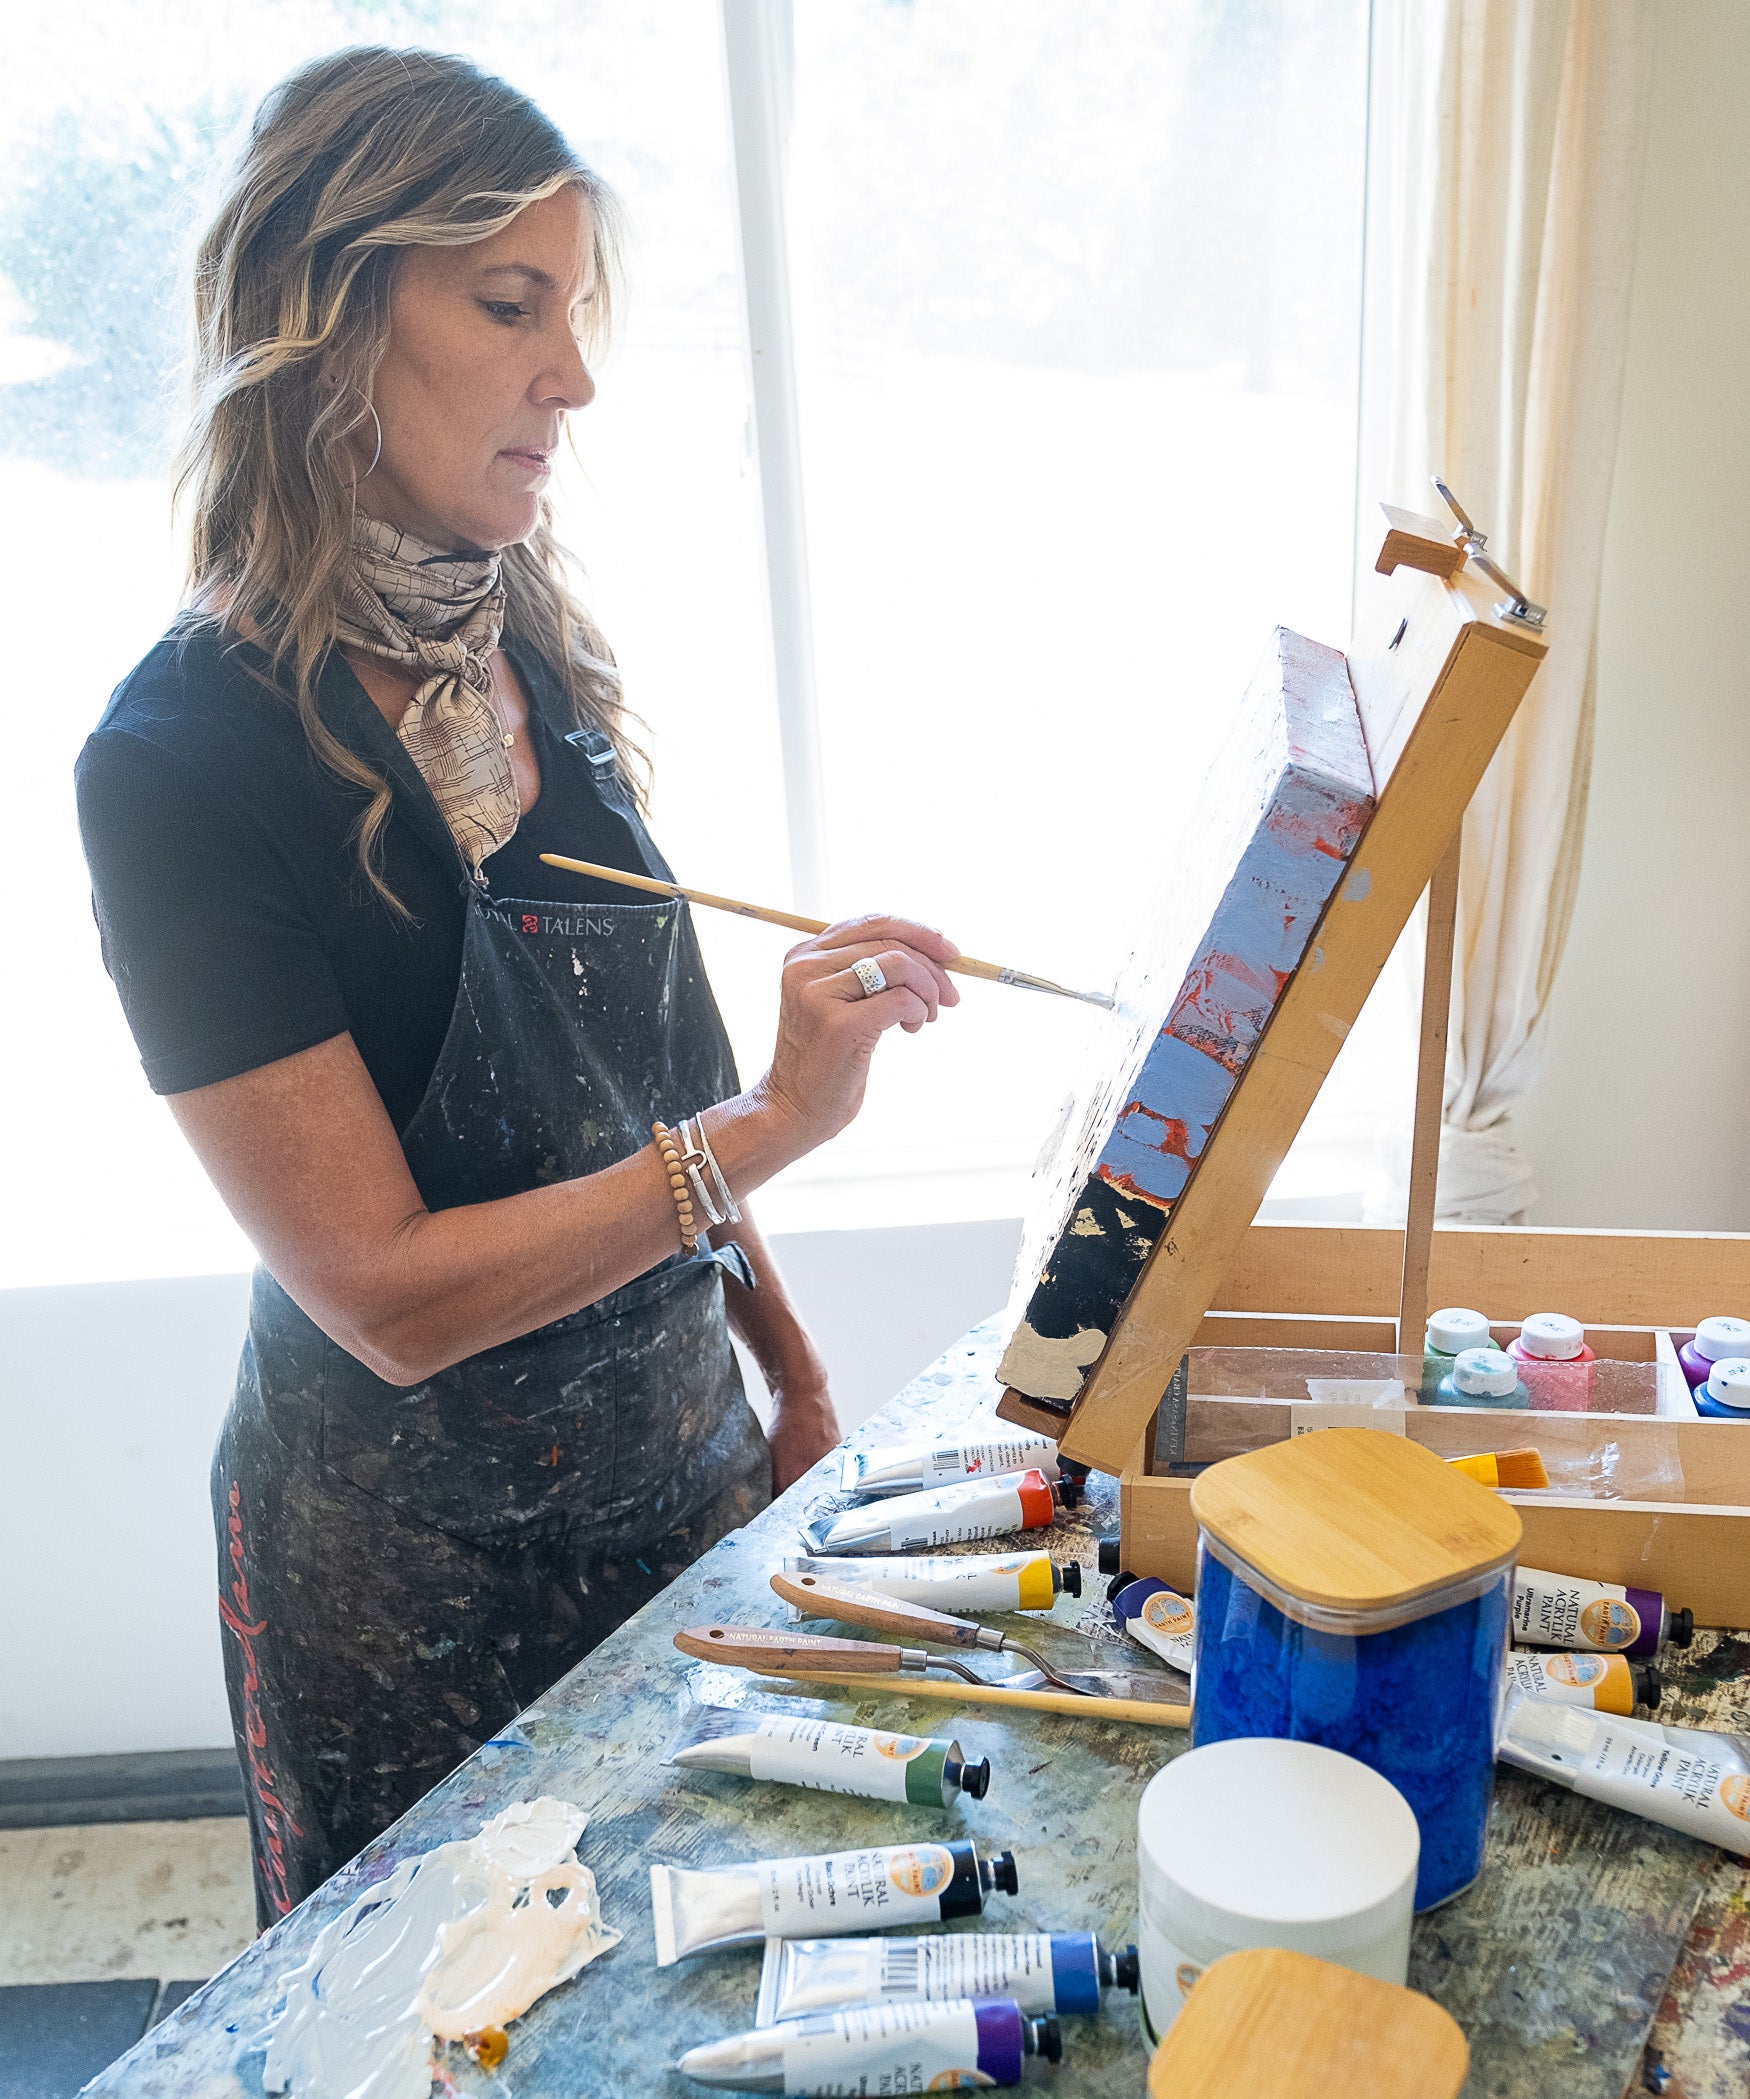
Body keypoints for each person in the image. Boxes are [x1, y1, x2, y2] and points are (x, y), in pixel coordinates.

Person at [74, 47, 960, 1926]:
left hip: (680, 1490)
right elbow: (387, 1300)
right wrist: (775, 1133)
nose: (570, 373)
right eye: (509, 304)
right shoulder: (181, 763)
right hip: (408, 1589)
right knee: (449, 2012)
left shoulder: (516, 626)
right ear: (327, 316)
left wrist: (792, 1392)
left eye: (574, 309)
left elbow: (659, 1092)